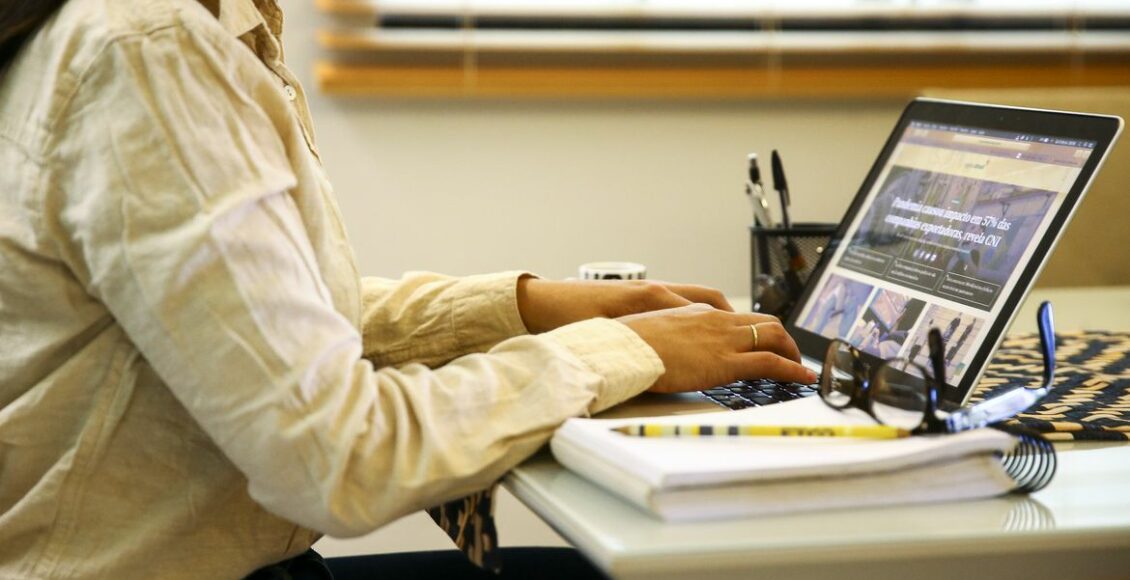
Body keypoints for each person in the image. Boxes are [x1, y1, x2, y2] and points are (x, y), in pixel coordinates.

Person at [0, 0, 816, 578]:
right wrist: (617, 353)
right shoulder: (143, 49)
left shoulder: (185, 28)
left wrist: (530, 307)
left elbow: (268, 316)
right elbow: (340, 456)